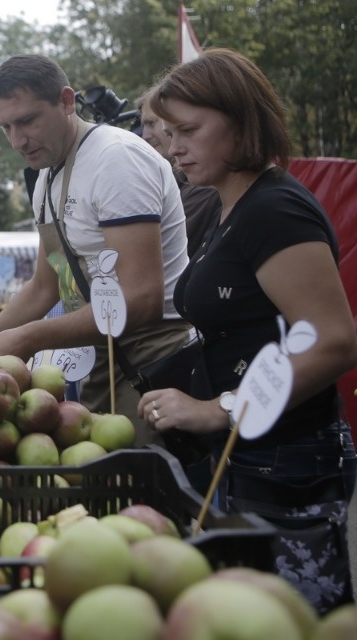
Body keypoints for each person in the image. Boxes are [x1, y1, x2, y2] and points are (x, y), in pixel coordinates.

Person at [137, 48, 357, 613]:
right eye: (167, 130)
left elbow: (334, 340)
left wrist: (217, 409)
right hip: (250, 458)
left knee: (292, 618)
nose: (174, 145)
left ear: (241, 122)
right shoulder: (228, 206)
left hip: (286, 463)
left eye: (188, 130)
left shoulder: (275, 210)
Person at [0, 54, 191, 446]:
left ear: (66, 101)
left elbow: (140, 298)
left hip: (154, 362)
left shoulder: (115, 159)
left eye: (26, 121)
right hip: (103, 360)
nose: (16, 140)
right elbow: (47, 285)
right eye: (5, 127)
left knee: (146, 497)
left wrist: (30, 337)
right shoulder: (47, 179)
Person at [137, 88, 220, 258]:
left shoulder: (205, 185)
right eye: (143, 125)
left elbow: (155, 250)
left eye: (151, 123)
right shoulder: (179, 178)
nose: (144, 135)